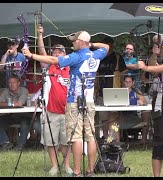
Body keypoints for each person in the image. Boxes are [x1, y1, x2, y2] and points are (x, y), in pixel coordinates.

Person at [22, 31, 109, 177]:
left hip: (74, 101)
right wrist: (91, 44)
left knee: (75, 138)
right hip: (89, 101)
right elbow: (106, 46)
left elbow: (54, 60)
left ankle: (76, 172)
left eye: (75, 41)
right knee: (90, 136)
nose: (73, 43)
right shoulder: (97, 54)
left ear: (81, 42)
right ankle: (90, 171)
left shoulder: (77, 56)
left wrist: (31, 55)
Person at [36, 24, 72, 176]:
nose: (57, 54)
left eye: (60, 52)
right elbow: (42, 52)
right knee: (51, 141)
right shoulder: (50, 67)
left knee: (66, 141)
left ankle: (67, 165)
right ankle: (54, 166)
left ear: (65, 54)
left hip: (68, 110)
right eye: (54, 53)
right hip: (51, 110)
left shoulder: (70, 68)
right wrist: (39, 36)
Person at [137, 40, 163, 177]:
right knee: (159, 144)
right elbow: (154, 65)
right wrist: (155, 54)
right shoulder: (159, 64)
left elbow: (161, 68)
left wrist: (145, 68)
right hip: (162, 107)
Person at [94, 36, 126, 140]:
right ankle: (106, 138)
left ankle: (115, 139)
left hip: (115, 91)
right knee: (103, 117)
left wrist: (123, 87)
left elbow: (124, 72)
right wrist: (95, 89)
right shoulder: (99, 57)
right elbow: (96, 75)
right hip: (101, 91)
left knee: (114, 116)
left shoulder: (117, 57)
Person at [0, 73, 31, 151]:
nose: (11, 85)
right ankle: (5, 143)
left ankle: (20, 146)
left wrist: (9, 104)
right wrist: (11, 104)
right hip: (11, 115)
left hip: (23, 115)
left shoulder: (24, 90)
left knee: (25, 123)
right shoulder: (6, 91)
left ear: (18, 83)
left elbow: (19, 103)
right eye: (10, 83)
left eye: (14, 82)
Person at [118, 75, 149, 143]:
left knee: (146, 114)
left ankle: (143, 140)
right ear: (123, 82)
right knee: (113, 115)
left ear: (133, 83)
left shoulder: (135, 91)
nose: (128, 83)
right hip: (122, 116)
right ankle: (117, 141)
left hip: (133, 116)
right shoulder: (119, 92)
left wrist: (141, 101)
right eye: (126, 82)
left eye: (129, 82)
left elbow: (144, 101)